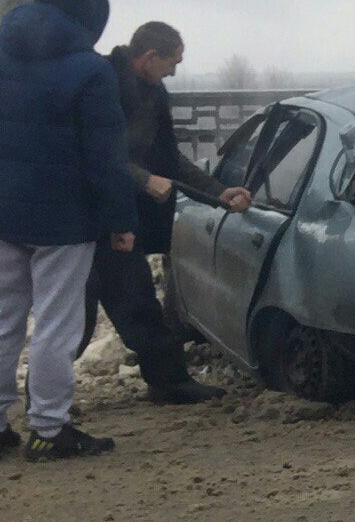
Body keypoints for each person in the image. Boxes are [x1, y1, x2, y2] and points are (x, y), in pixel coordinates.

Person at [0, 0, 137, 460]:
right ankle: (48, 428)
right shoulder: (89, 70)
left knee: (0, 317)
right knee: (57, 324)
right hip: (64, 220)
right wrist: (120, 220)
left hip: (1, 212)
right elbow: (106, 156)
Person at [85, 21, 251, 405]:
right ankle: (45, 404)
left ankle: (169, 381)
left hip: (124, 220)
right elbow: (92, 152)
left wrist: (219, 192)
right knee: (73, 317)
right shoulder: (101, 85)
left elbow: (168, 158)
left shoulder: (154, 93)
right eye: (171, 63)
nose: (174, 72)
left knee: (139, 300)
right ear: (148, 57)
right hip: (84, 220)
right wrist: (143, 180)